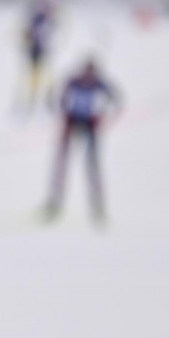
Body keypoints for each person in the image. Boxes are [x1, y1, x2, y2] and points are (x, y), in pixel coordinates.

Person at [43, 58, 121, 224]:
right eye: (87, 73)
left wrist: (106, 117)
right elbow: (55, 95)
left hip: (90, 123)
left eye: (91, 74)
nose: (88, 77)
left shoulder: (100, 83)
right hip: (72, 121)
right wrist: (61, 111)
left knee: (92, 166)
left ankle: (98, 206)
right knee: (61, 163)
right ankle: (54, 202)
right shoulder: (73, 81)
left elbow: (116, 99)